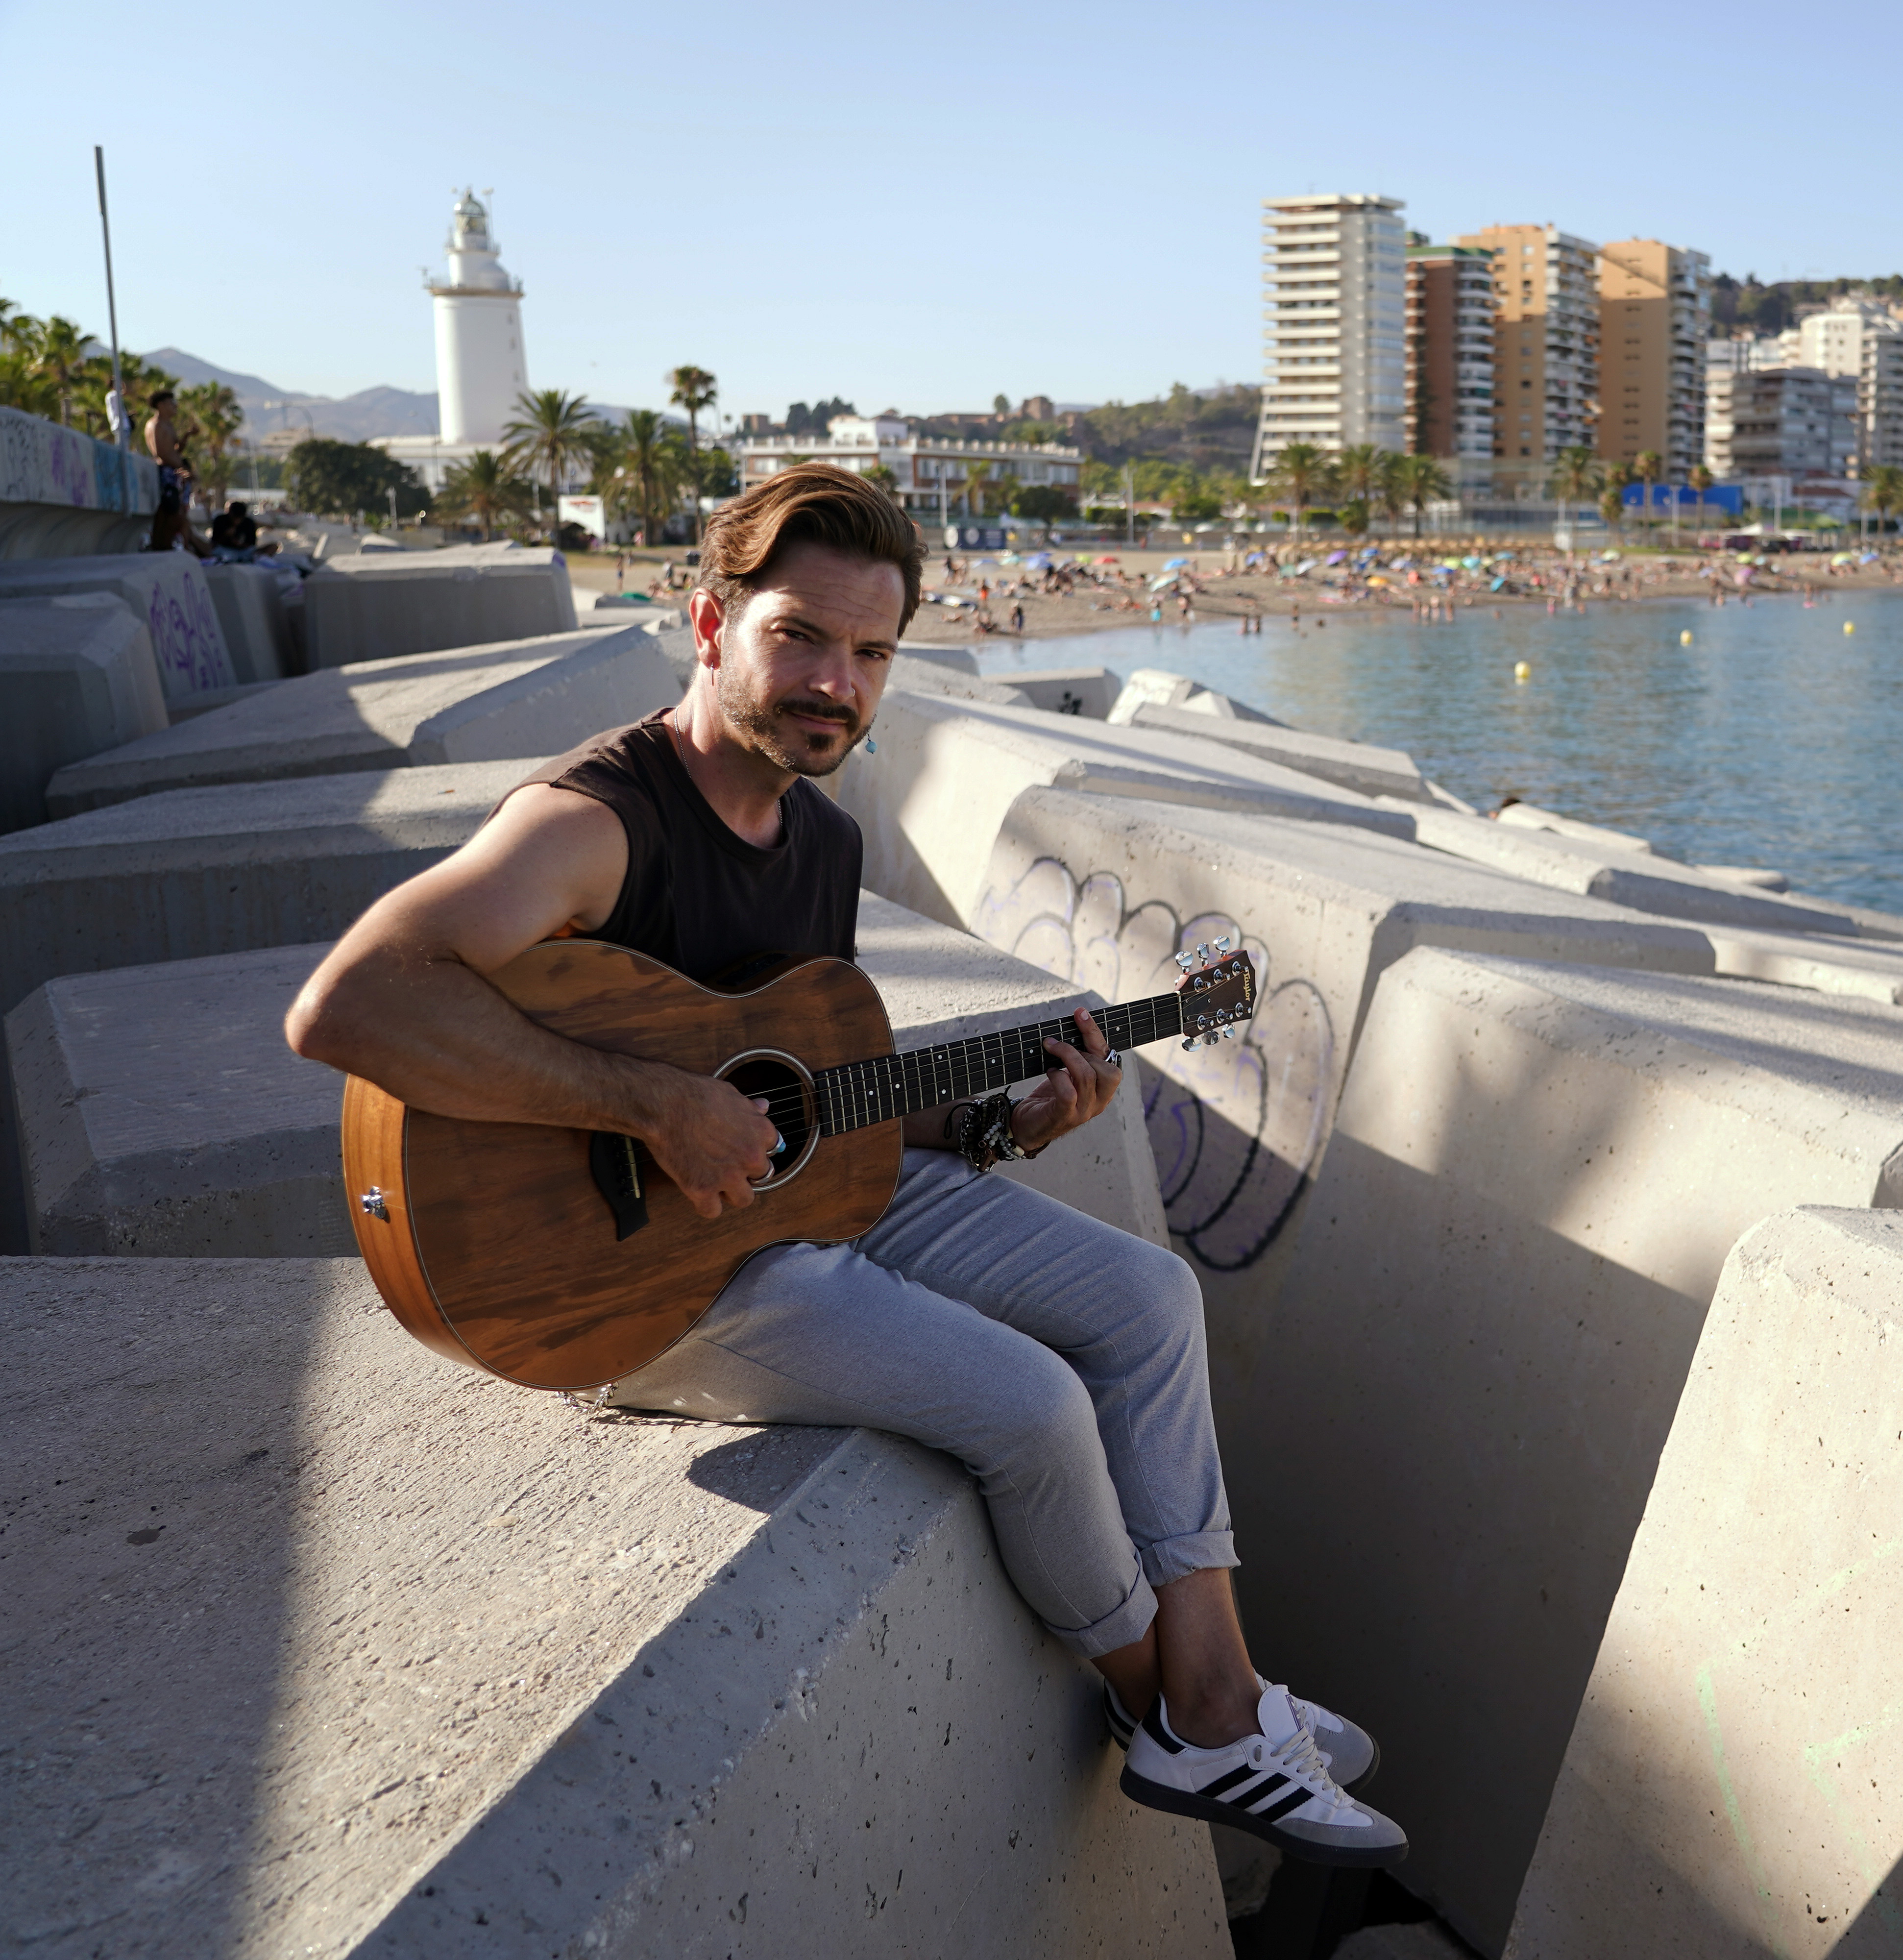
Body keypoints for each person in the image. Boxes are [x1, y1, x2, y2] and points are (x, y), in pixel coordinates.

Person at [283, 465, 1403, 1868]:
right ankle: (1180, 1717)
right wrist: (649, 1106)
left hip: (794, 1216)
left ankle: (1222, 1705)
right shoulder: (596, 821)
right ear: (709, 624)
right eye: (799, 636)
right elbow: (350, 1005)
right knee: (1037, 1405)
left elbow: (808, 1104)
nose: (837, 682)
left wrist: (1006, 1125)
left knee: (1152, 1303)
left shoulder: (822, 836)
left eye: (872, 653)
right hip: (634, 1280)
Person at [144, 385, 195, 555]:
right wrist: (180, 469)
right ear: (161, 405)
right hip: (168, 472)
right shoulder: (156, 425)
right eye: (171, 403)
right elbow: (161, 453)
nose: (175, 406)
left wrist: (188, 435)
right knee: (170, 511)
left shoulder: (169, 425)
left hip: (175, 471)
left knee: (179, 511)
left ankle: (174, 544)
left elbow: (175, 450)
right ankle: (161, 545)